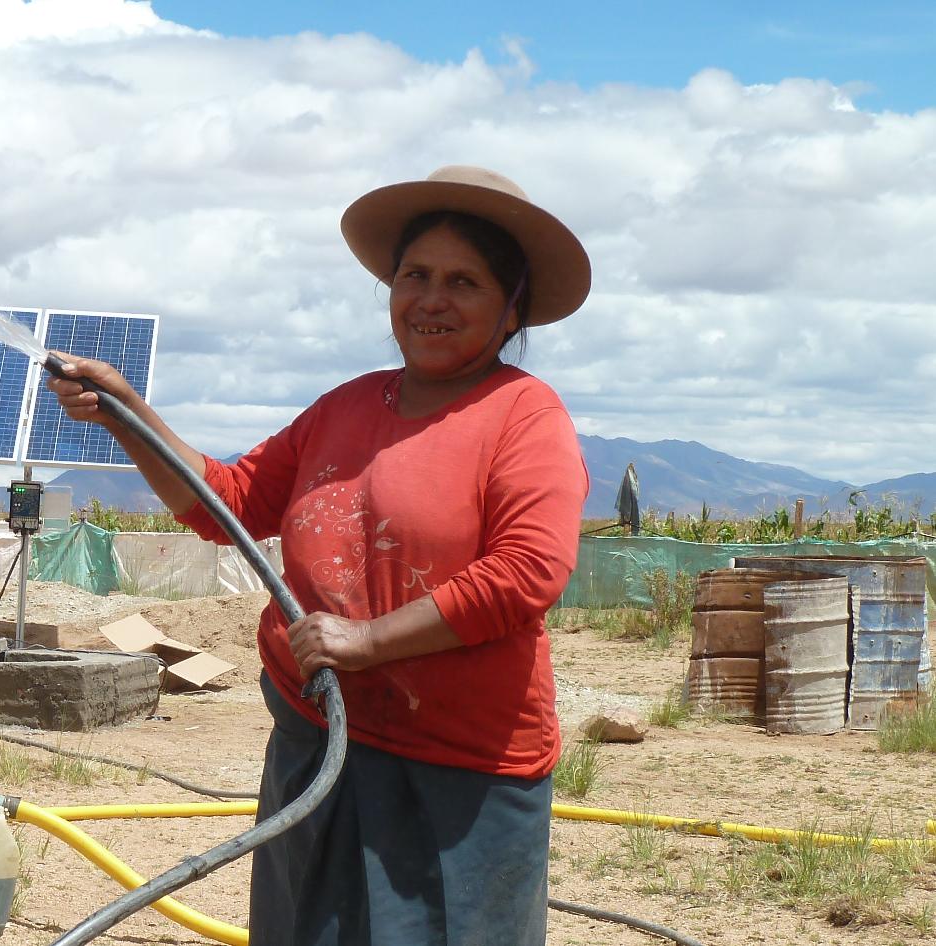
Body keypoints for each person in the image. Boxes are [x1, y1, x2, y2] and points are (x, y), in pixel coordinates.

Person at [47, 166, 591, 946]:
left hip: (457, 766)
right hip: (318, 742)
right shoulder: (343, 407)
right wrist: (128, 415)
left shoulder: (521, 416)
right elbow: (228, 506)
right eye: (414, 275)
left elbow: (526, 573)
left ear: (510, 310)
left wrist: (368, 641)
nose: (431, 299)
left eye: (463, 281)